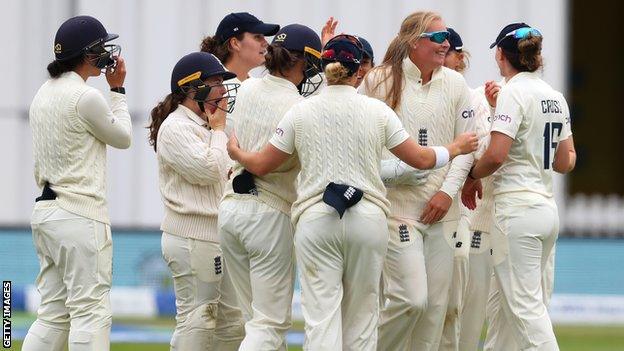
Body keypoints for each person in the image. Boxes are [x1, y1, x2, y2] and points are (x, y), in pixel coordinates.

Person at [227, 35, 478, 351]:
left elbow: (263, 163)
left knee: (322, 319)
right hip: (367, 219)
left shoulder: (302, 110)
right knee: (362, 319)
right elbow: (422, 159)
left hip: (316, 218)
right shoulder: (376, 111)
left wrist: (237, 153)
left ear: (324, 67)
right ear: (358, 70)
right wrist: (455, 147)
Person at [360, 11, 476, 351]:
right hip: (396, 208)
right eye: (438, 38)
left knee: (436, 311)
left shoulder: (455, 84)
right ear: (414, 42)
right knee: (411, 300)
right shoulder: (378, 81)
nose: (446, 45)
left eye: (448, 38)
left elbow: (466, 147)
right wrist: (394, 172)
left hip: (444, 211)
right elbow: (361, 142)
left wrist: (445, 193)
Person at [23, 15, 131, 351]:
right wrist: (117, 89)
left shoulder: (43, 92)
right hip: (80, 214)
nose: (106, 53)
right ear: (87, 53)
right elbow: (123, 137)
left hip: (45, 212)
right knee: (91, 312)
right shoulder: (86, 97)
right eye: (101, 47)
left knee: (53, 314)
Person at [468, 22, 576, 351]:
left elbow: (496, 155)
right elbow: (566, 160)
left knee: (525, 308)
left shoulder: (513, 91)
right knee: (503, 309)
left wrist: (471, 175)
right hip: (545, 209)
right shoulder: (554, 96)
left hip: (517, 211)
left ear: (500, 55)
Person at [218, 23, 323, 351]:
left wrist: (236, 153)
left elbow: (230, 138)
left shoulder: (246, 88)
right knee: (270, 324)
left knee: (256, 321)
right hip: (269, 213)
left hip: (231, 209)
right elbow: (266, 162)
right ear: (303, 63)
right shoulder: (300, 109)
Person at [147, 52, 244, 351]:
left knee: (233, 321)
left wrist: (218, 131)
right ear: (192, 89)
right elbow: (209, 170)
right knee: (198, 318)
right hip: (192, 237)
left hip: (219, 233)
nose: (223, 90)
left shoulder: (209, 126)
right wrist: (218, 131)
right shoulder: (176, 128)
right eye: (216, 82)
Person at [439, 27, 493, 351]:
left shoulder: (477, 100)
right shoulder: (415, 96)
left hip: (471, 220)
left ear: (459, 57)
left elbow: (485, 155)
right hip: (421, 212)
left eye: (445, 51)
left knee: (464, 311)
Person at [200, 12, 280, 132]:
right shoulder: (214, 90)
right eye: (257, 37)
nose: (266, 43)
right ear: (235, 43)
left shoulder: (259, 85)